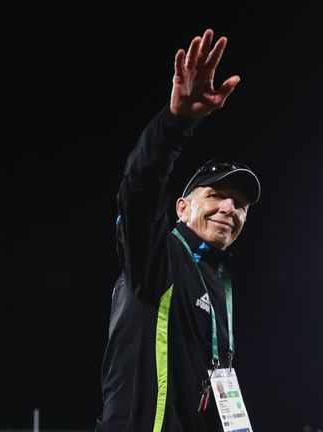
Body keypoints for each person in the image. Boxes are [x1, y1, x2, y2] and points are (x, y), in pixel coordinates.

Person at [94, 28, 260, 432]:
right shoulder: (158, 257)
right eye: (217, 195)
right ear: (182, 208)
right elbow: (139, 192)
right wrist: (176, 124)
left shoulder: (219, 283)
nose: (229, 208)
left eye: (239, 204)